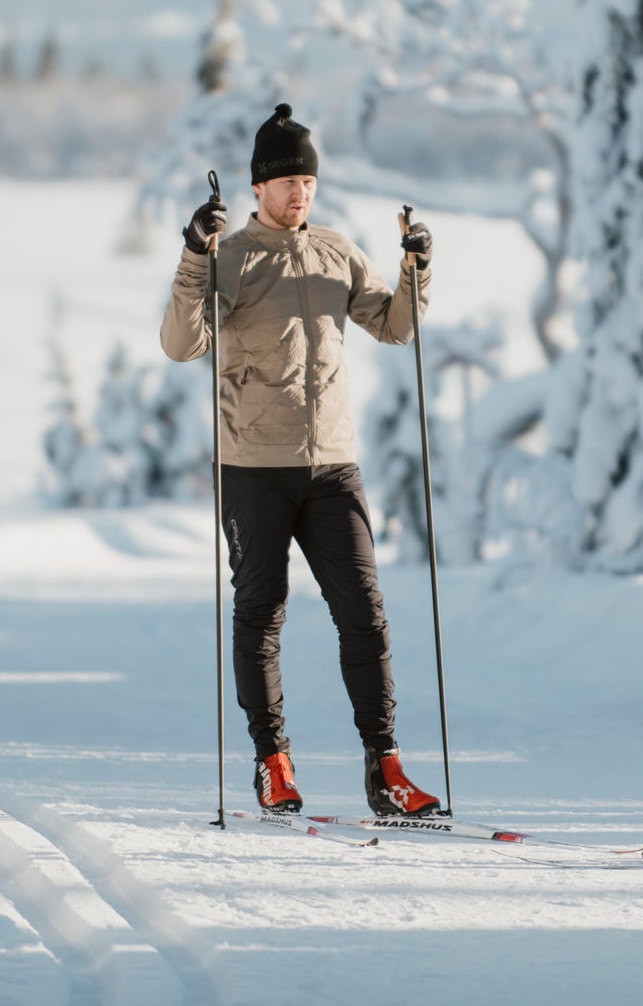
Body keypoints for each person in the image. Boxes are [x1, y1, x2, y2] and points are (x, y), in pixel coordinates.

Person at [160, 104, 442, 818]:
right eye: (287, 181)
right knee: (261, 613)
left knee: (365, 615)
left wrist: (417, 267)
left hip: (332, 466)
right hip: (253, 465)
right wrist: (195, 254)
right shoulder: (232, 256)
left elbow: (395, 325)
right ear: (258, 186)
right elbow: (180, 343)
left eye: (307, 181)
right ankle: (273, 763)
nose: (300, 193)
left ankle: (386, 767)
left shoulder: (336, 251)